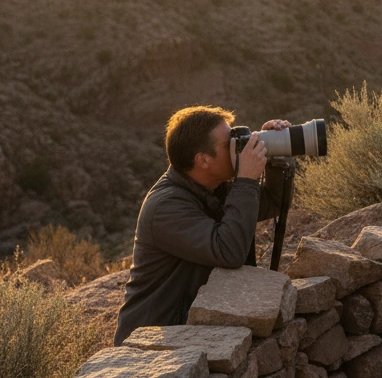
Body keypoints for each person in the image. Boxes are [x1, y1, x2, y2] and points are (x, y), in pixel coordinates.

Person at [113, 106, 287, 345]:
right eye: (230, 144)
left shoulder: (215, 186)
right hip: (152, 343)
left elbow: (273, 203)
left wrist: (275, 155)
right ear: (202, 160)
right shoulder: (165, 207)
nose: (239, 148)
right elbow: (229, 251)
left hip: (189, 333)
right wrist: (246, 180)